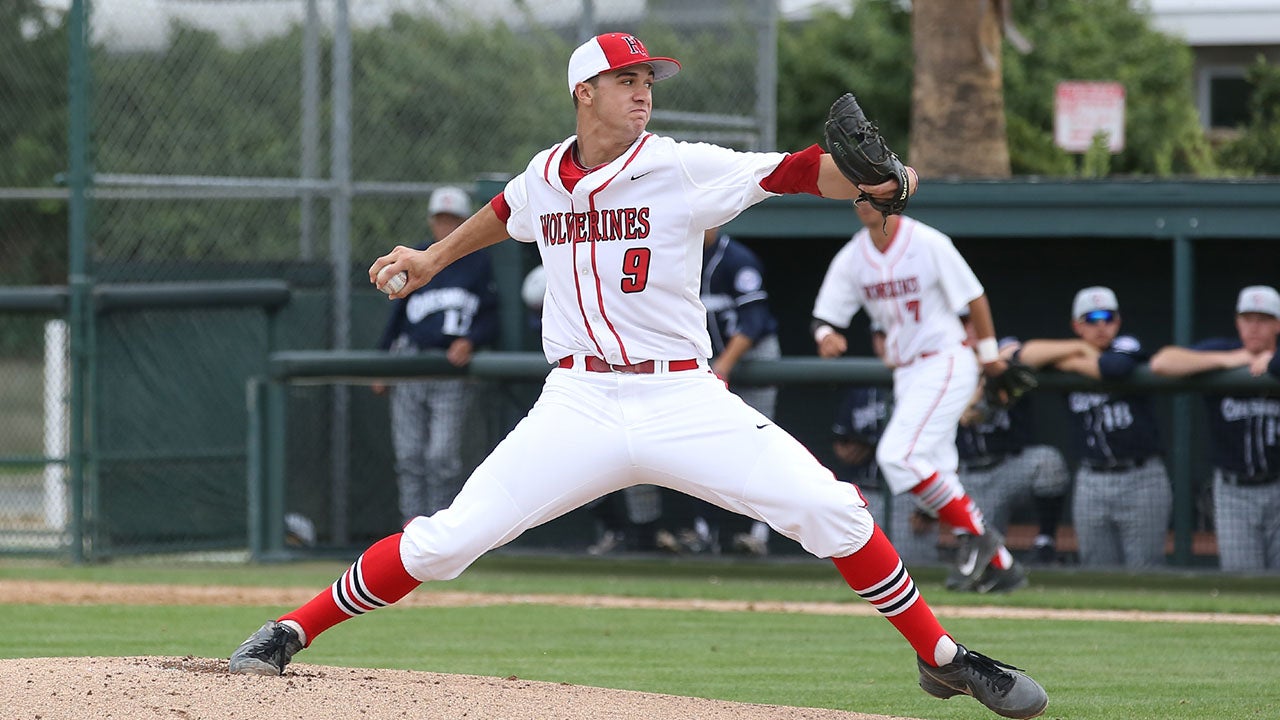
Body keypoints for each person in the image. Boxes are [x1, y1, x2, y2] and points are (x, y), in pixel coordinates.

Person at [230, 32, 1046, 719]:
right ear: (584, 91)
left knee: (828, 506)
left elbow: (795, 171)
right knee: (448, 540)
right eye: (627, 80)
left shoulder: (681, 166)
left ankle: (941, 655)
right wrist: (430, 257)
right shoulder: (546, 173)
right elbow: (510, 211)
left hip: (680, 395)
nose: (643, 91)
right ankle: (290, 630)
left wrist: (872, 182)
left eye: (647, 79)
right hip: (577, 402)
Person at [810, 200, 1024, 594]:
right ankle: (1002, 566)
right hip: (907, 371)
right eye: (858, 197)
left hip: (945, 359)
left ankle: (979, 537)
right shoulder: (855, 255)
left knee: (899, 456)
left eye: (872, 196)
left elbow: (974, 296)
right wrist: (826, 336)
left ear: (893, 200)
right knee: (936, 469)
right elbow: (826, 315)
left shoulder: (928, 242)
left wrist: (990, 356)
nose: (863, 205)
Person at [1015, 287, 1170, 570]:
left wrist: (1072, 362)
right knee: (1096, 569)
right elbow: (1024, 355)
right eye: (1092, 319)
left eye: (1108, 317)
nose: (1101, 326)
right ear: (1077, 325)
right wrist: (1079, 349)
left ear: (1118, 321)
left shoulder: (1127, 345)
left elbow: (1115, 368)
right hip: (1092, 479)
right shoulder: (1070, 351)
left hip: (1141, 477)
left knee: (1146, 572)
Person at [372, 186, 499, 524]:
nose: (446, 227)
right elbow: (396, 317)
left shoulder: (478, 262)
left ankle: (441, 526)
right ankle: (410, 527)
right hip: (411, 363)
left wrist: (471, 340)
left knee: (441, 456)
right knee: (410, 455)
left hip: (449, 371)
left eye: (454, 220)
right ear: (431, 223)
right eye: (441, 220)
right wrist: (382, 363)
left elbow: (491, 314)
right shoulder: (418, 259)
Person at [664, 226, 782, 556]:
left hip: (753, 358)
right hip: (709, 361)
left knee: (760, 445)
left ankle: (759, 534)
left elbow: (754, 320)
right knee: (702, 448)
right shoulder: (673, 257)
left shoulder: (738, 260)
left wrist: (723, 366)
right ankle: (704, 533)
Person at [1149, 285, 1280, 571]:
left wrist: (1273, 363)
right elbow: (1162, 362)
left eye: (1263, 319)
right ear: (1238, 322)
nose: (1254, 327)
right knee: (1241, 582)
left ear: (1277, 324)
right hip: (1234, 491)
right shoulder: (1223, 350)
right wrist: (1230, 361)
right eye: (1248, 319)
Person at [956, 314, 1071, 572]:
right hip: (967, 476)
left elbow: (1024, 355)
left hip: (1009, 467)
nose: (970, 328)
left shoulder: (1002, 347)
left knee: (1047, 462)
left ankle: (1045, 541)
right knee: (983, 564)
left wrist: (994, 364)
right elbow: (967, 416)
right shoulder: (945, 358)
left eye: (974, 321)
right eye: (963, 322)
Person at [831, 384, 940, 567]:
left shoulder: (921, 386)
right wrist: (856, 449)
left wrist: (927, 508)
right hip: (866, 491)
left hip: (907, 496)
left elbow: (937, 450)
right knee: (863, 565)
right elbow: (841, 441)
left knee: (913, 565)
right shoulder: (860, 393)